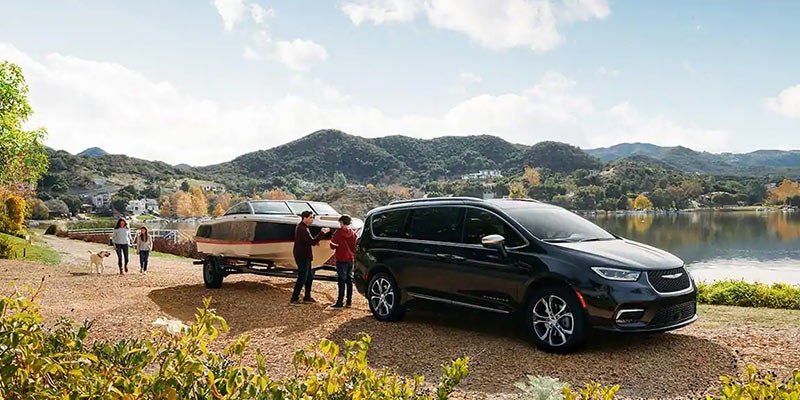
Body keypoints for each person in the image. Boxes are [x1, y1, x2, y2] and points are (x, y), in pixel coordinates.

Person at [290, 211, 330, 305]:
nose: (312, 219)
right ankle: (294, 298)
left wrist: (316, 241)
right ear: (305, 218)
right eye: (311, 217)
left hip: (305, 255)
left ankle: (307, 297)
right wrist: (322, 233)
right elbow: (311, 242)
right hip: (302, 256)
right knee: (302, 277)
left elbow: (308, 241)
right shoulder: (302, 228)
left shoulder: (304, 228)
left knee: (309, 276)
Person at [328, 215, 358, 310]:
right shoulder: (353, 233)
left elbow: (332, 246)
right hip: (350, 259)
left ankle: (339, 302)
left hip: (341, 259)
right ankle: (349, 302)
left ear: (343, 223)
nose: (339, 224)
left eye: (340, 223)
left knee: (341, 281)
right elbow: (355, 246)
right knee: (349, 281)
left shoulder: (338, 233)